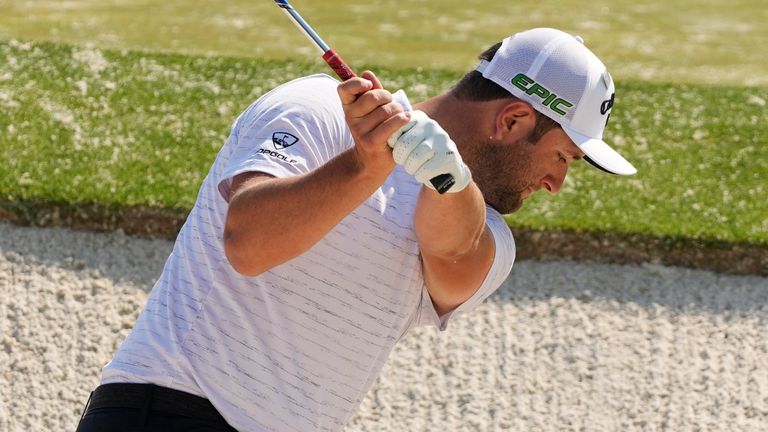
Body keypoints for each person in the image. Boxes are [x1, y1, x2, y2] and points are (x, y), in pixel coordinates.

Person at [76, 27, 636, 432]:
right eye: (563, 157)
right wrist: (367, 164)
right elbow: (248, 244)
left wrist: (447, 176)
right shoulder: (318, 110)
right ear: (513, 120)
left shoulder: (491, 235)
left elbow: (450, 247)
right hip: (170, 408)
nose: (557, 182)